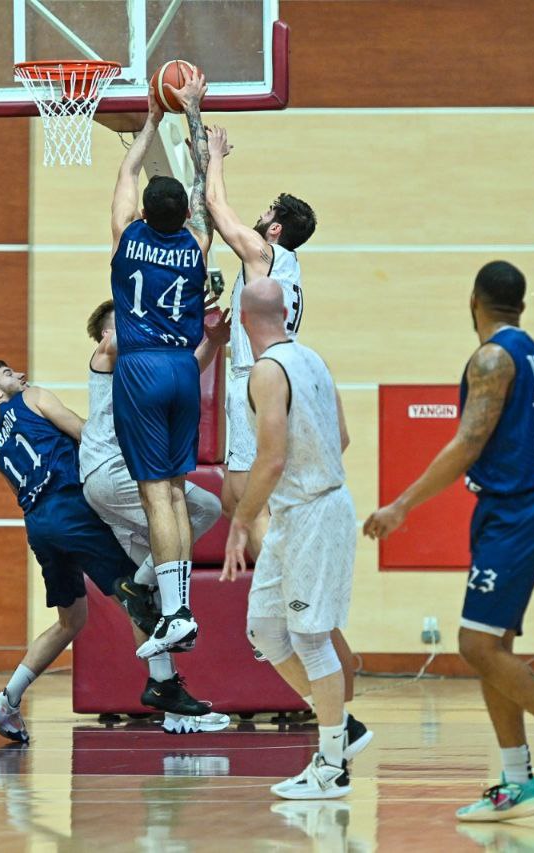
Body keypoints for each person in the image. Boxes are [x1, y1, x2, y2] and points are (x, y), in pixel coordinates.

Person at [363, 260, 534, 821]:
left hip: (519, 509)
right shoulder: (532, 353)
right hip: (513, 508)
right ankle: (518, 782)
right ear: (519, 305)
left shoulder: (493, 357)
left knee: (475, 645)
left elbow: (467, 443)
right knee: (494, 649)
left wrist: (401, 505)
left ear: (473, 301)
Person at [201, 124, 362, 720]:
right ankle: (308, 610)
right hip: (268, 375)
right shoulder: (287, 266)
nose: (259, 216)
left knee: (244, 498)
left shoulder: (265, 255)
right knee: (234, 497)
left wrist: (213, 157)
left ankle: (302, 604)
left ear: (274, 229)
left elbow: (218, 210)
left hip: (258, 379)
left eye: (267, 212)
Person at [0, 360, 215, 742]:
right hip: (71, 508)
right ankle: (171, 705)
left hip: (39, 524)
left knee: (71, 620)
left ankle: (6, 700)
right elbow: (84, 433)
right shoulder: (33, 397)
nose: (20, 375)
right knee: (139, 597)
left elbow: (17, 489)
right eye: (8, 374)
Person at [221, 278, 367, 801]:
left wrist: (242, 520)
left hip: (313, 514)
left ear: (242, 321)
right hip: (298, 512)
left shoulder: (266, 371)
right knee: (264, 630)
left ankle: (331, 767)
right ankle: (342, 727)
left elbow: (272, 458)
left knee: (309, 638)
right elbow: (342, 437)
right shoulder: (314, 359)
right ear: (285, 313)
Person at [80, 298, 226, 718]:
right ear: (109, 331)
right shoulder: (107, 355)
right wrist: (168, 306)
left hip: (114, 481)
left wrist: (213, 342)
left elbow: (188, 368)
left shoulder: (144, 365)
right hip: (113, 473)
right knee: (205, 507)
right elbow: (120, 340)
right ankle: (137, 585)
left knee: (159, 591)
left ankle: (162, 686)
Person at [108, 74, 213, 658]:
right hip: (184, 369)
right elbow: (203, 182)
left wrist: (153, 118)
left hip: (142, 368)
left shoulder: (128, 237)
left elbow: (128, 172)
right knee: (175, 491)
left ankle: (175, 613)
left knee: (155, 497)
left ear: (146, 211)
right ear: (184, 214)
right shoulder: (197, 241)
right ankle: (179, 609)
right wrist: (192, 113)